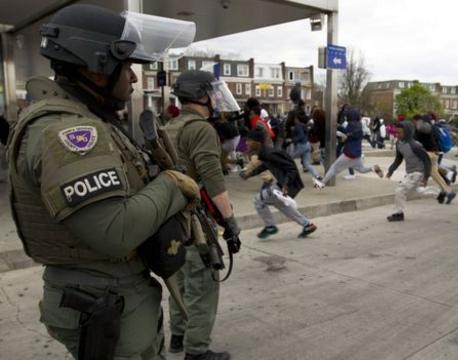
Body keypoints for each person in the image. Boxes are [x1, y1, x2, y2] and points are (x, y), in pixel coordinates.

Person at [7, 4, 200, 358]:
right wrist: (173, 185)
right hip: (105, 297)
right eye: (126, 65)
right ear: (96, 67)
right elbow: (114, 232)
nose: (134, 77)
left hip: (111, 293)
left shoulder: (88, 118)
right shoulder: (70, 132)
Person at [164, 70, 241, 360]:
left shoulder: (171, 125)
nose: (215, 98)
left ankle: (178, 336)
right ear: (200, 95)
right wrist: (230, 221)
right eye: (212, 92)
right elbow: (213, 178)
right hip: (195, 222)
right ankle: (196, 351)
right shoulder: (201, 129)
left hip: (171, 220)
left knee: (181, 281)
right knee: (203, 285)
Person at [241, 129, 318, 239]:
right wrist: (250, 174)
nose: (246, 143)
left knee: (258, 200)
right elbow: (265, 165)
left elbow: (291, 168)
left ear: (257, 142)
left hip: (287, 183)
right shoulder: (264, 152)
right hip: (285, 183)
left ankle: (270, 227)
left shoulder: (269, 153)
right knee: (280, 204)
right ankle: (307, 225)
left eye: (249, 140)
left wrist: (285, 185)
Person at [315, 107, 383, 188]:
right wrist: (339, 127)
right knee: (362, 169)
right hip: (357, 154)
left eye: (347, 116)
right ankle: (373, 168)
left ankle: (322, 183)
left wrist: (339, 131)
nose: (346, 117)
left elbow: (346, 134)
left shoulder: (351, 125)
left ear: (351, 116)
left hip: (349, 153)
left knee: (334, 167)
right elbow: (349, 133)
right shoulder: (359, 124)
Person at [385, 121, 432, 221]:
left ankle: (398, 214)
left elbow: (426, 160)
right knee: (418, 192)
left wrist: (426, 177)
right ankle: (439, 193)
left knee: (400, 191)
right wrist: (391, 170)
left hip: (418, 172)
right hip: (410, 173)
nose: (397, 135)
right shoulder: (399, 144)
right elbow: (398, 159)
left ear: (407, 132)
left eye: (400, 133)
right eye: (396, 133)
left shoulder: (415, 145)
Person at [411, 115, 456, 204]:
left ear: (417, 121)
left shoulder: (422, 128)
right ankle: (448, 190)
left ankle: (448, 189)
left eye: (413, 121)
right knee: (435, 173)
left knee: (432, 173)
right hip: (434, 153)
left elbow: (415, 139)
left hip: (430, 154)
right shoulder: (426, 127)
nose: (413, 124)